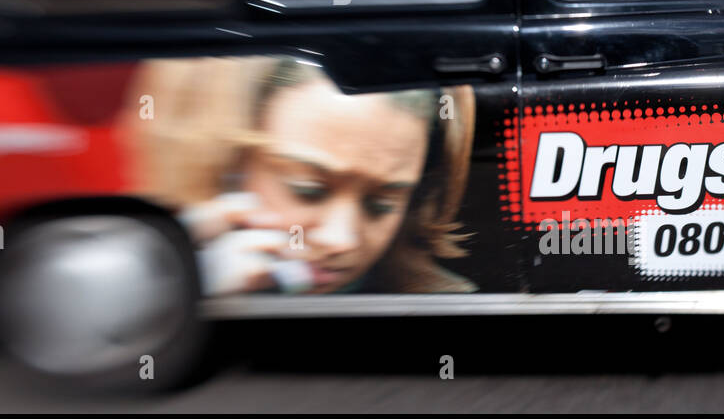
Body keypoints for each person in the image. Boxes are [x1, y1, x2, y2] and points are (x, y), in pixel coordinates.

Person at [121, 56, 476, 295]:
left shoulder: (441, 307)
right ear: (230, 164)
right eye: (307, 191)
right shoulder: (146, 275)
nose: (341, 239)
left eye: (382, 205)